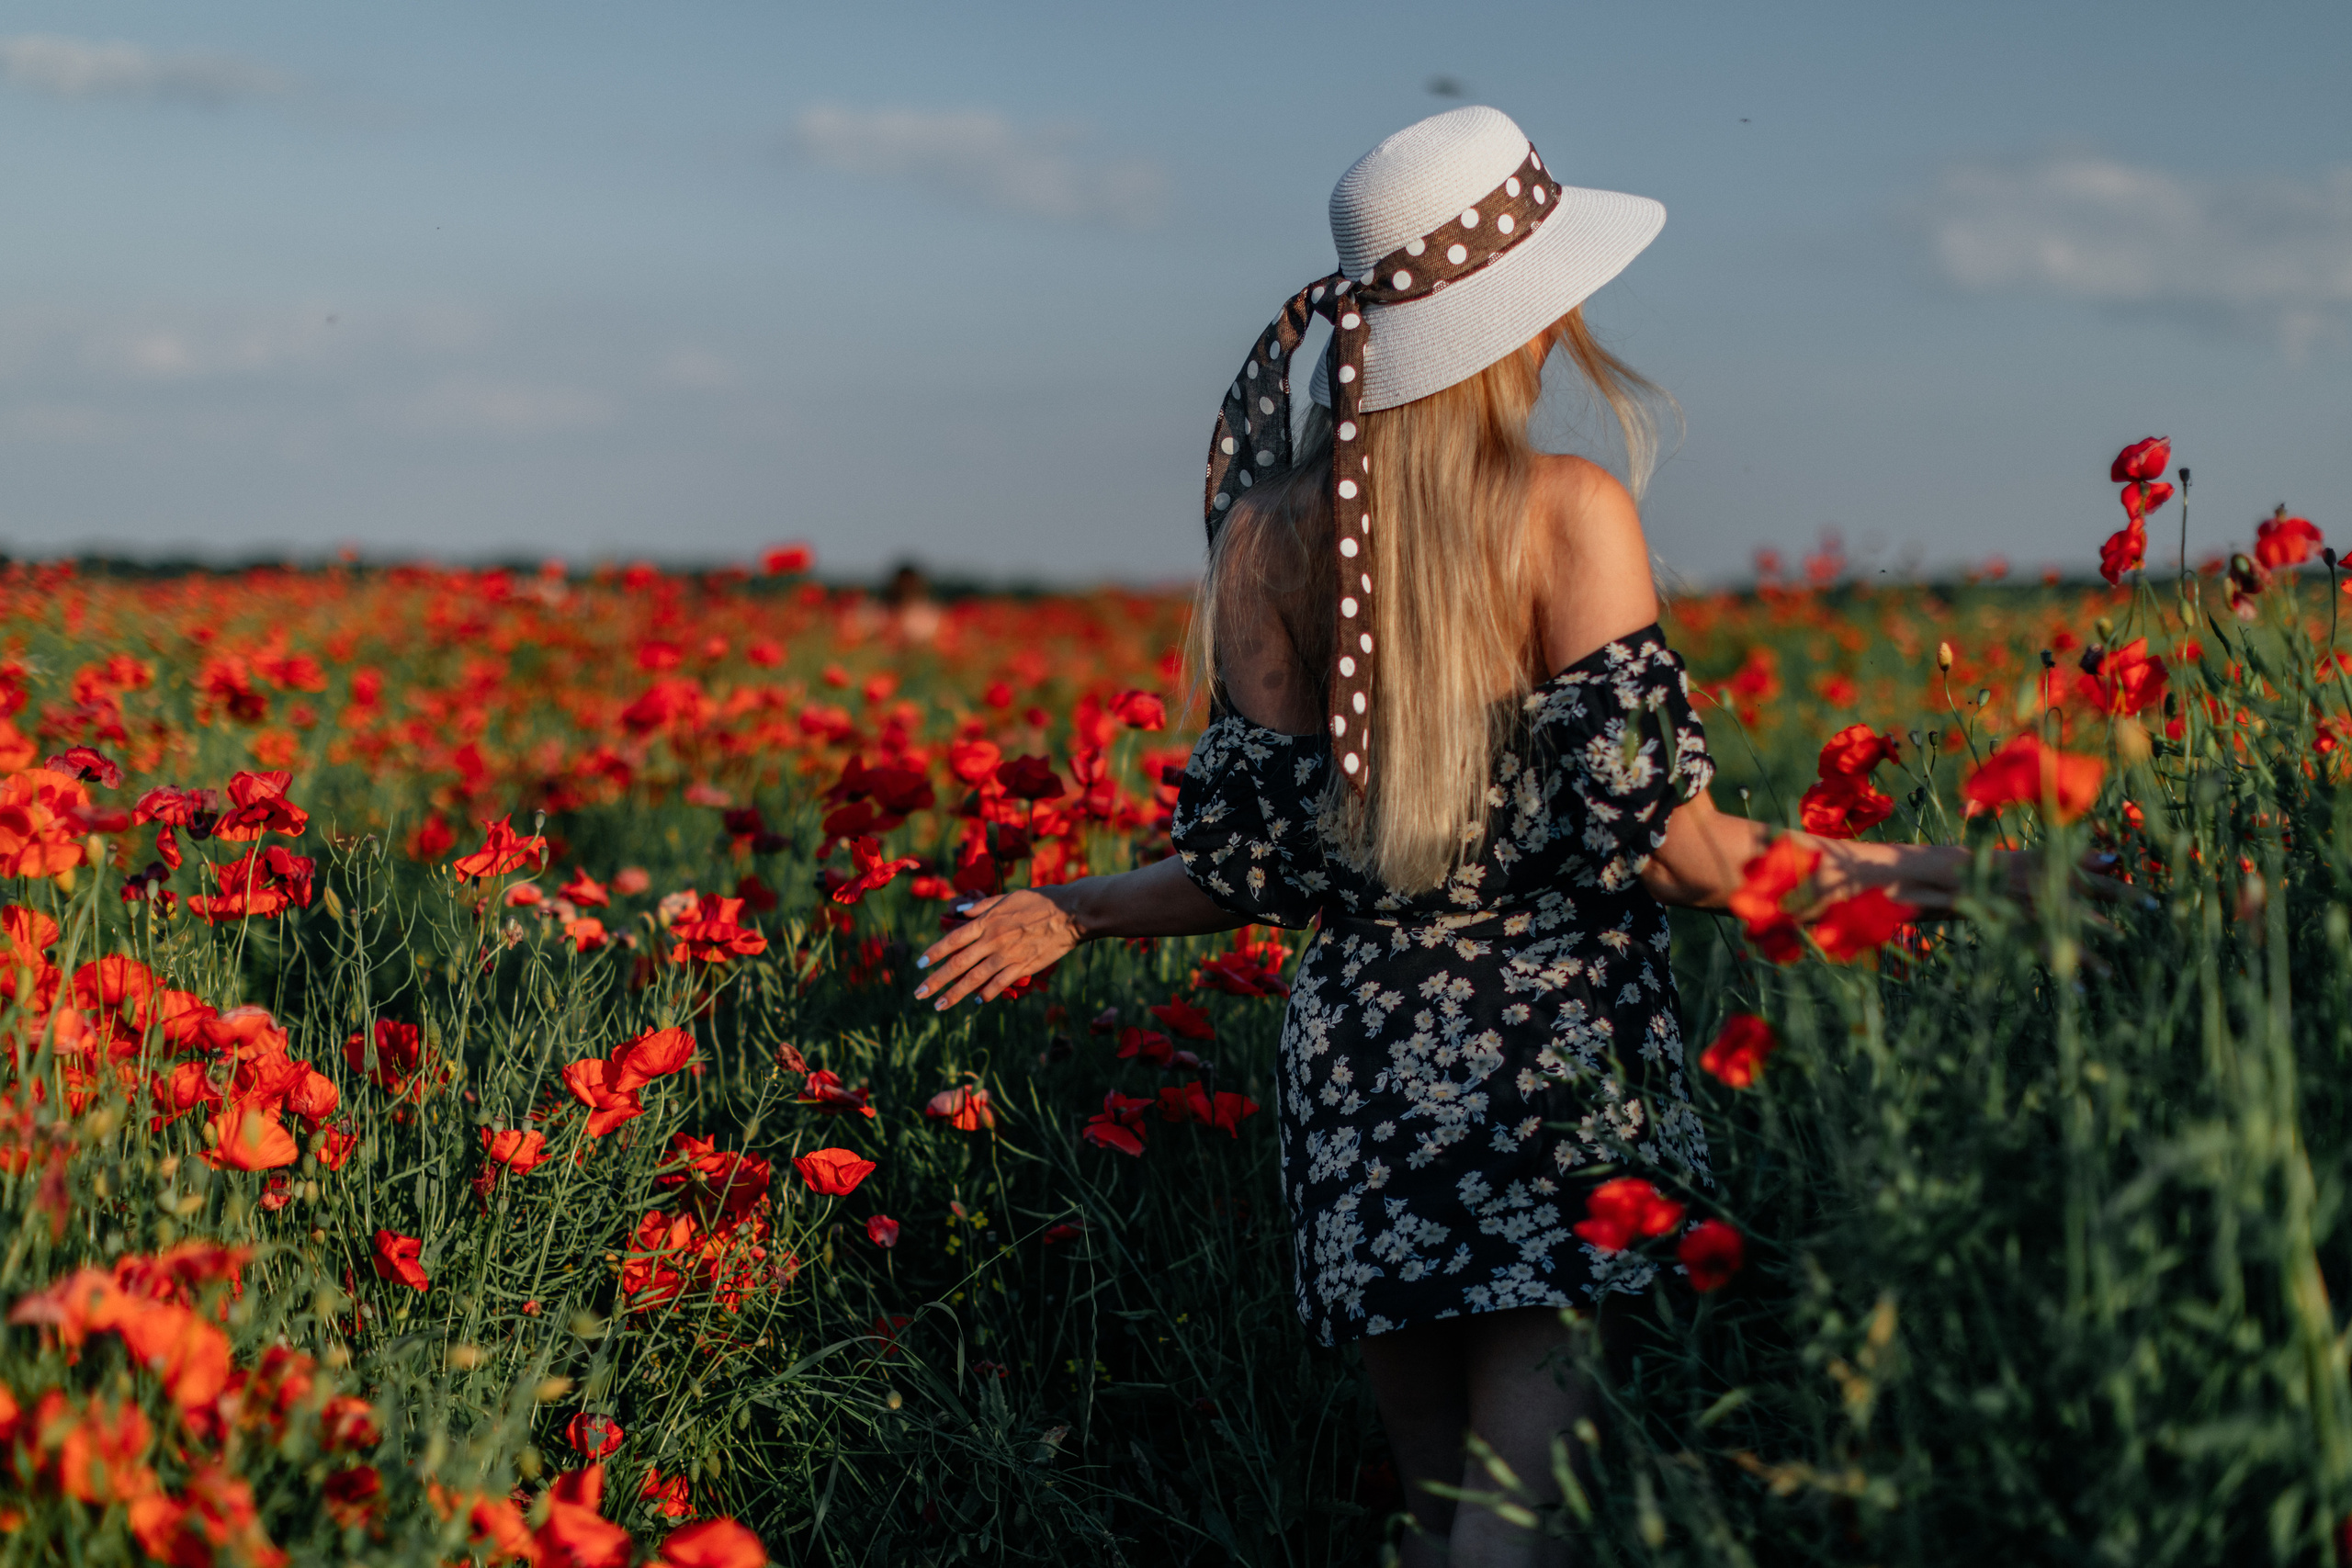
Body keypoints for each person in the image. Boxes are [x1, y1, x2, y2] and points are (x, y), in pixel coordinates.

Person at [914, 106, 1970, 1567]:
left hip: (1360, 1081)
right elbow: (1682, 855)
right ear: (1527, 319)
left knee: (1439, 1519)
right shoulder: (1566, 513)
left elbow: (1256, 866)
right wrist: (1964, 879)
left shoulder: (1265, 538)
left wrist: (1080, 907)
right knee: (1519, 1530)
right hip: (1551, 1076)